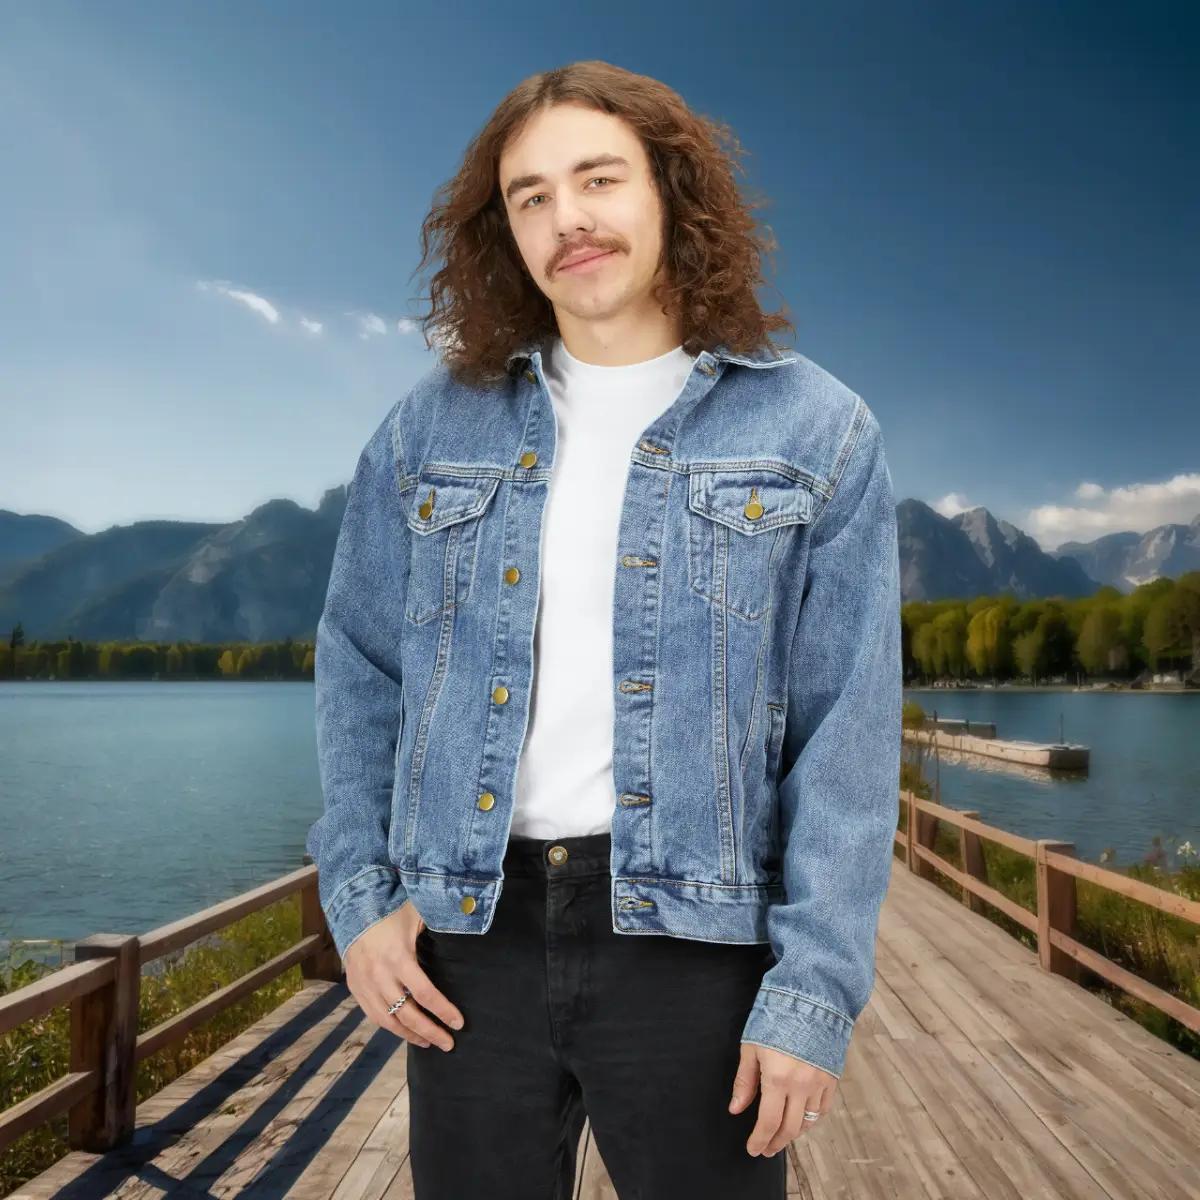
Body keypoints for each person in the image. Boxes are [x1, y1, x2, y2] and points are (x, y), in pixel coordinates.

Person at [307, 59, 902, 1199]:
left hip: (696, 946)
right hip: (468, 939)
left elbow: (848, 735)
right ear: (507, 232)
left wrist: (811, 993)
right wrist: (362, 899)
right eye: (530, 196)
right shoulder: (427, 429)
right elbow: (360, 667)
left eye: (598, 178)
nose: (567, 218)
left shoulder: (819, 430)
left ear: (672, 193)